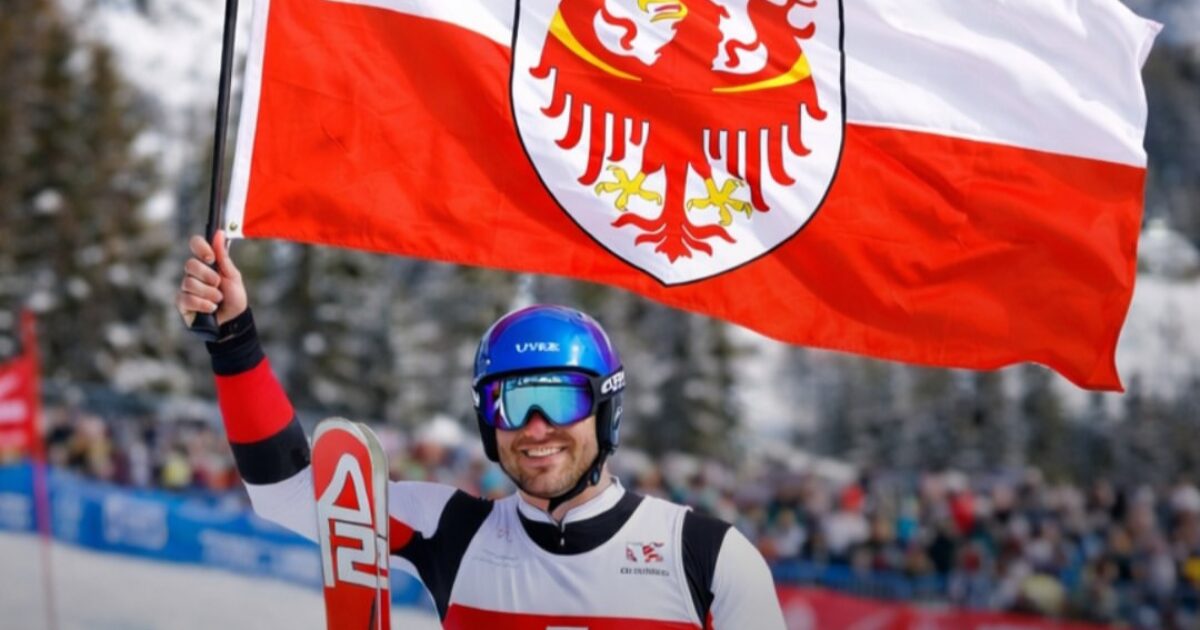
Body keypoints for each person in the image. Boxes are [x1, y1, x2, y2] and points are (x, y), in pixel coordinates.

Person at [176, 232, 786, 629]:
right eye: (510, 403)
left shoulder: (705, 557)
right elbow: (285, 489)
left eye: (560, 397)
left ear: (607, 409)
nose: (536, 427)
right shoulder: (454, 532)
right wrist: (235, 339)